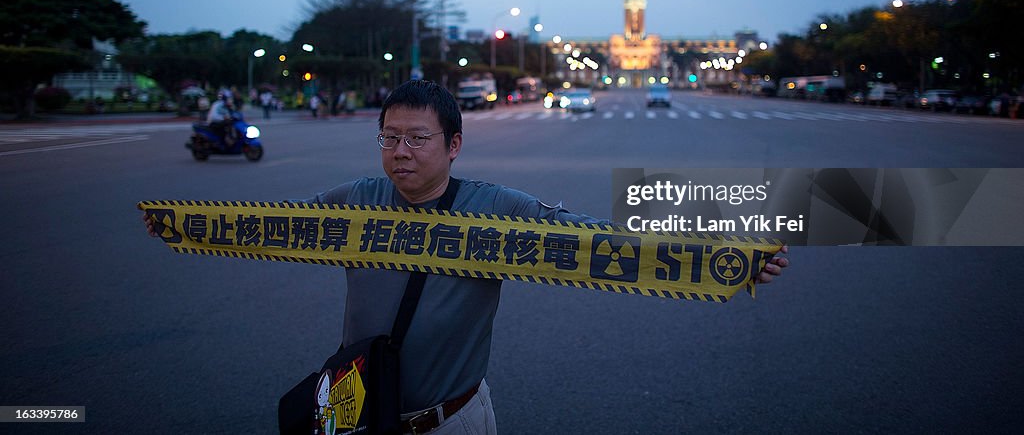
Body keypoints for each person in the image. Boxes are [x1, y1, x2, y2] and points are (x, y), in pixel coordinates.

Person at [146, 80, 788, 433]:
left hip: (452, 421)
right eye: (389, 137)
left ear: (453, 145)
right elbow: (276, 227)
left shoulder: (497, 208)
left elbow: (596, 242)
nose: (400, 151)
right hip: (354, 412)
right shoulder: (356, 202)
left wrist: (724, 259)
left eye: (417, 139)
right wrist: (184, 224)